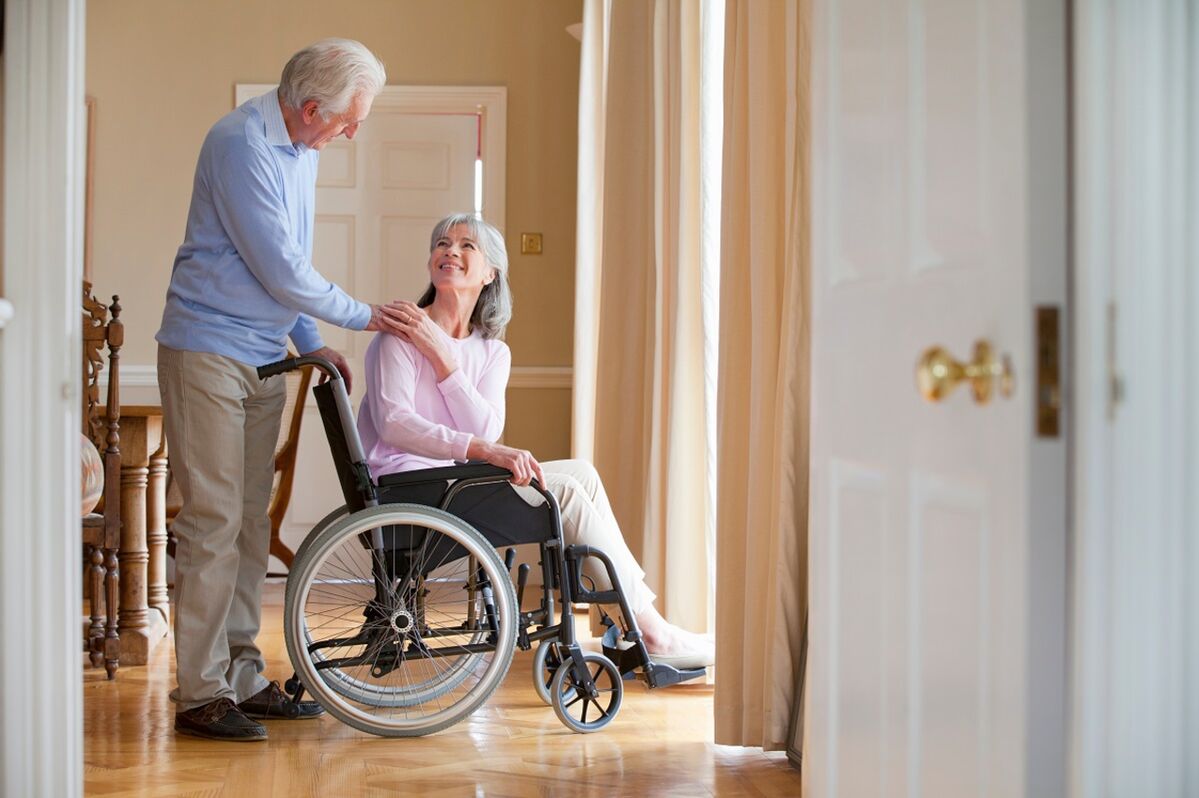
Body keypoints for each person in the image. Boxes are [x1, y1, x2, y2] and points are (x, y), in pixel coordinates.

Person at [156, 38, 406, 742]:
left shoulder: (303, 153)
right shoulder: (241, 144)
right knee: (211, 523)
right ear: (308, 107)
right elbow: (280, 266)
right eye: (349, 119)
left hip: (263, 353)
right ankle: (199, 690)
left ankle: (239, 676)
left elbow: (283, 262)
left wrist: (307, 341)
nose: (354, 132)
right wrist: (363, 315)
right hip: (207, 349)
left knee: (248, 523)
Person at [357, 213, 715, 669]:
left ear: (490, 274)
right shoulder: (399, 335)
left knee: (581, 472)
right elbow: (394, 426)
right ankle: (651, 630)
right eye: (443, 243)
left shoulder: (491, 352)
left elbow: (485, 430)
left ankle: (627, 618)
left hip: (454, 484)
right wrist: (481, 450)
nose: (451, 250)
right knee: (560, 491)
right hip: (411, 492)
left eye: (467, 246)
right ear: (431, 260)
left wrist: (445, 359)